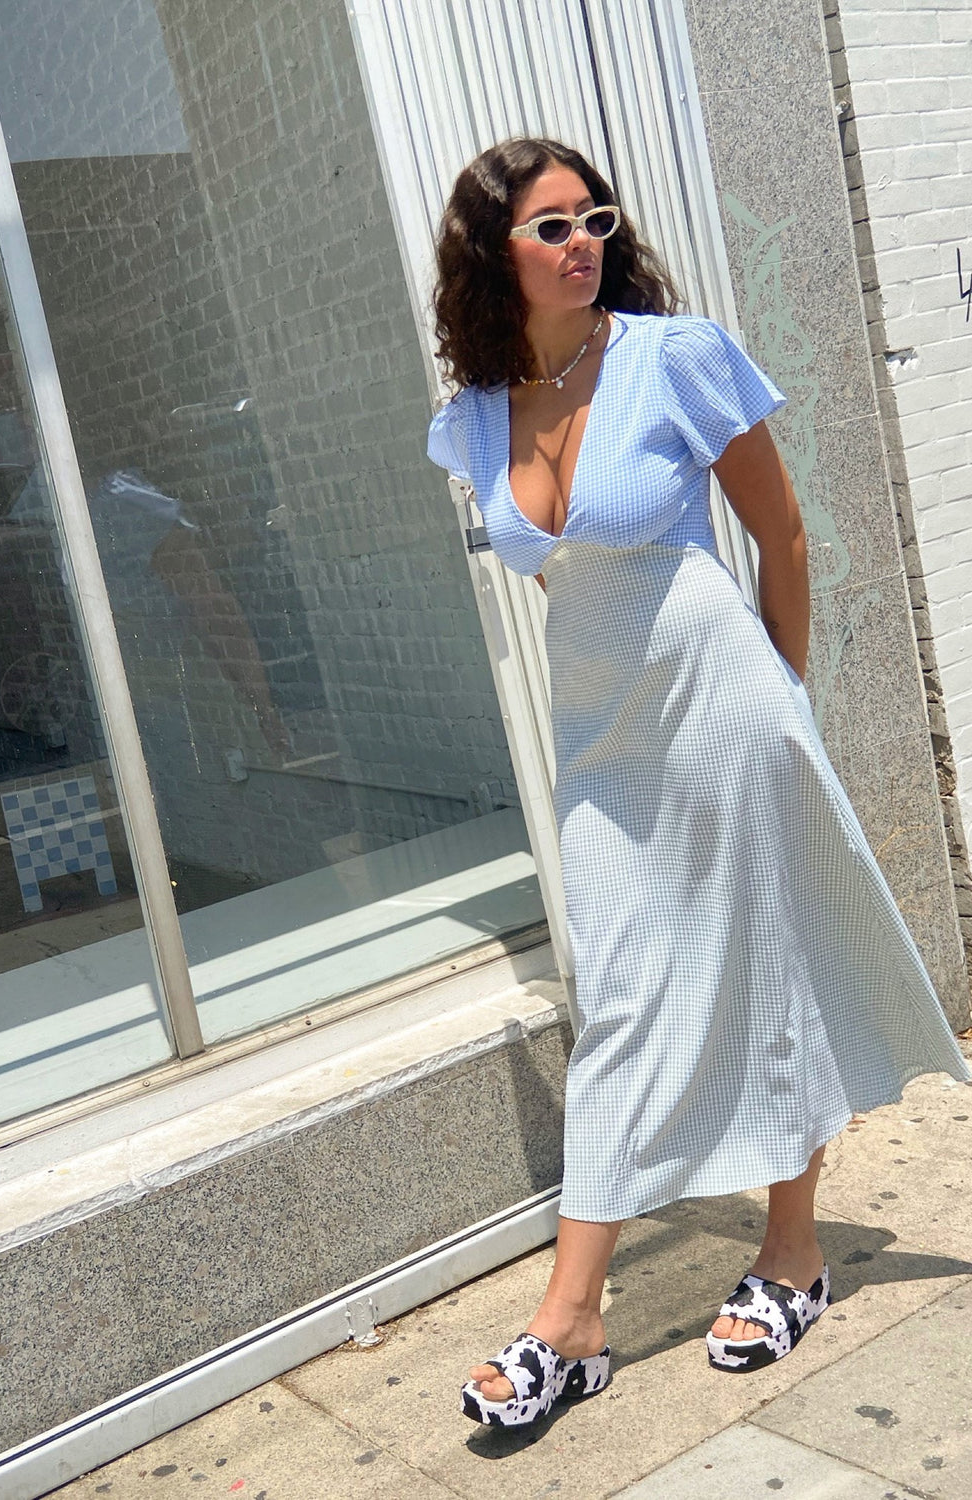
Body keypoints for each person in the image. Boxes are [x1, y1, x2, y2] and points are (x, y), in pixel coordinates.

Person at [426, 137, 972, 1430]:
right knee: (622, 999)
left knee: (764, 963)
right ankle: (579, 1321)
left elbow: (783, 535)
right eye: (551, 225)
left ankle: (786, 1255)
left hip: (725, 699)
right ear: (492, 253)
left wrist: (784, 696)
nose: (583, 242)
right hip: (600, 731)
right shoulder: (474, 416)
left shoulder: (675, 357)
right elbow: (558, 579)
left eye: (595, 218)